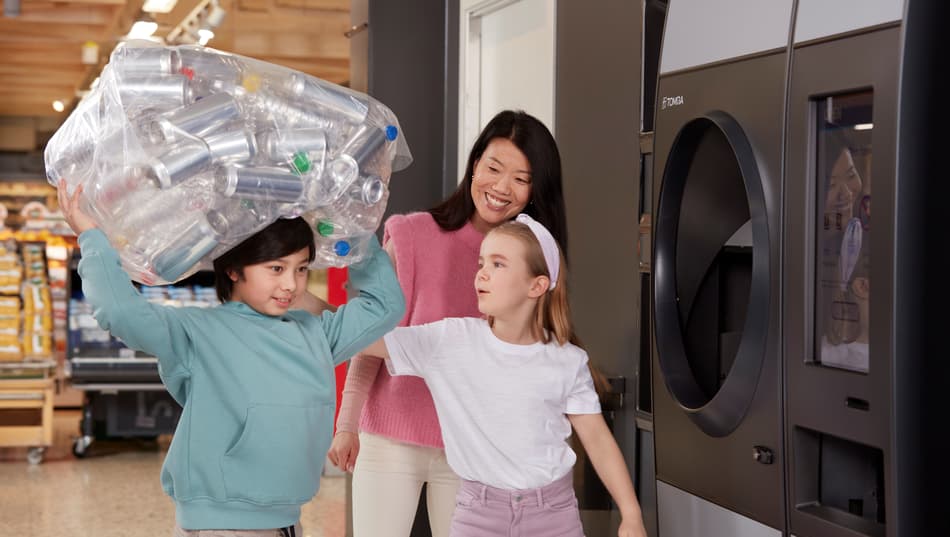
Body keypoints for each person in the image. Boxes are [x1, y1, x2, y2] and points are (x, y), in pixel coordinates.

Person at [56, 180, 405, 537]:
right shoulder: (197, 332)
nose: (291, 285)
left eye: (301, 269)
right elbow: (120, 312)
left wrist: (358, 233)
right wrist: (93, 239)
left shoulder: (315, 333)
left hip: (287, 520)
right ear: (234, 269)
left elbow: (384, 307)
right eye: (276, 269)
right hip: (218, 526)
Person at [302, 110, 569, 537]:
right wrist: (347, 423)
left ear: (537, 189)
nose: (501, 188)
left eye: (521, 178)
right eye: (493, 168)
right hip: (390, 437)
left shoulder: (536, 263)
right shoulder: (411, 235)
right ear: (475, 165)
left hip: (474, 448)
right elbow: (374, 336)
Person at [357, 215, 647, 537]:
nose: (481, 272)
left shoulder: (568, 361)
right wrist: (300, 303)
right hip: (477, 517)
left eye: (498, 264)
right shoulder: (450, 341)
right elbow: (363, 337)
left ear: (536, 285)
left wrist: (631, 513)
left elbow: (598, 440)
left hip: (554, 516)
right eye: (481, 262)